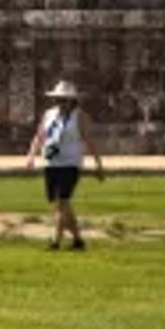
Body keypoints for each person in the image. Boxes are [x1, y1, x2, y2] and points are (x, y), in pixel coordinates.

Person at [28, 78, 99, 252]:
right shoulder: (49, 114)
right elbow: (39, 136)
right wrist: (31, 155)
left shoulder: (80, 117)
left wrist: (99, 164)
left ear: (72, 100)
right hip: (52, 162)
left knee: (63, 201)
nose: (61, 103)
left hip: (71, 163)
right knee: (61, 203)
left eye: (64, 99)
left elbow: (90, 141)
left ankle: (55, 241)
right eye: (58, 99)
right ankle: (78, 240)